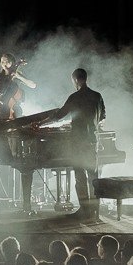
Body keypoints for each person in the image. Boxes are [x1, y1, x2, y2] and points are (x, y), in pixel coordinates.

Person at [41, 68, 106, 218]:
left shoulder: (74, 97)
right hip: (92, 141)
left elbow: (58, 115)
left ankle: (84, 210)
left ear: (75, 80)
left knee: (80, 177)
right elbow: (102, 116)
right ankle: (95, 212)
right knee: (94, 177)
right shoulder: (98, 96)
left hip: (78, 141)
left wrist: (41, 123)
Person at [0, 56, 35, 121]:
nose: (4, 64)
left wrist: (19, 76)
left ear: (12, 63)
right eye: (3, 62)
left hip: (10, 106)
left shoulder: (16, 76)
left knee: (3, 118)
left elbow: (33, 85)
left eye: (7, 62)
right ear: (0, 64)